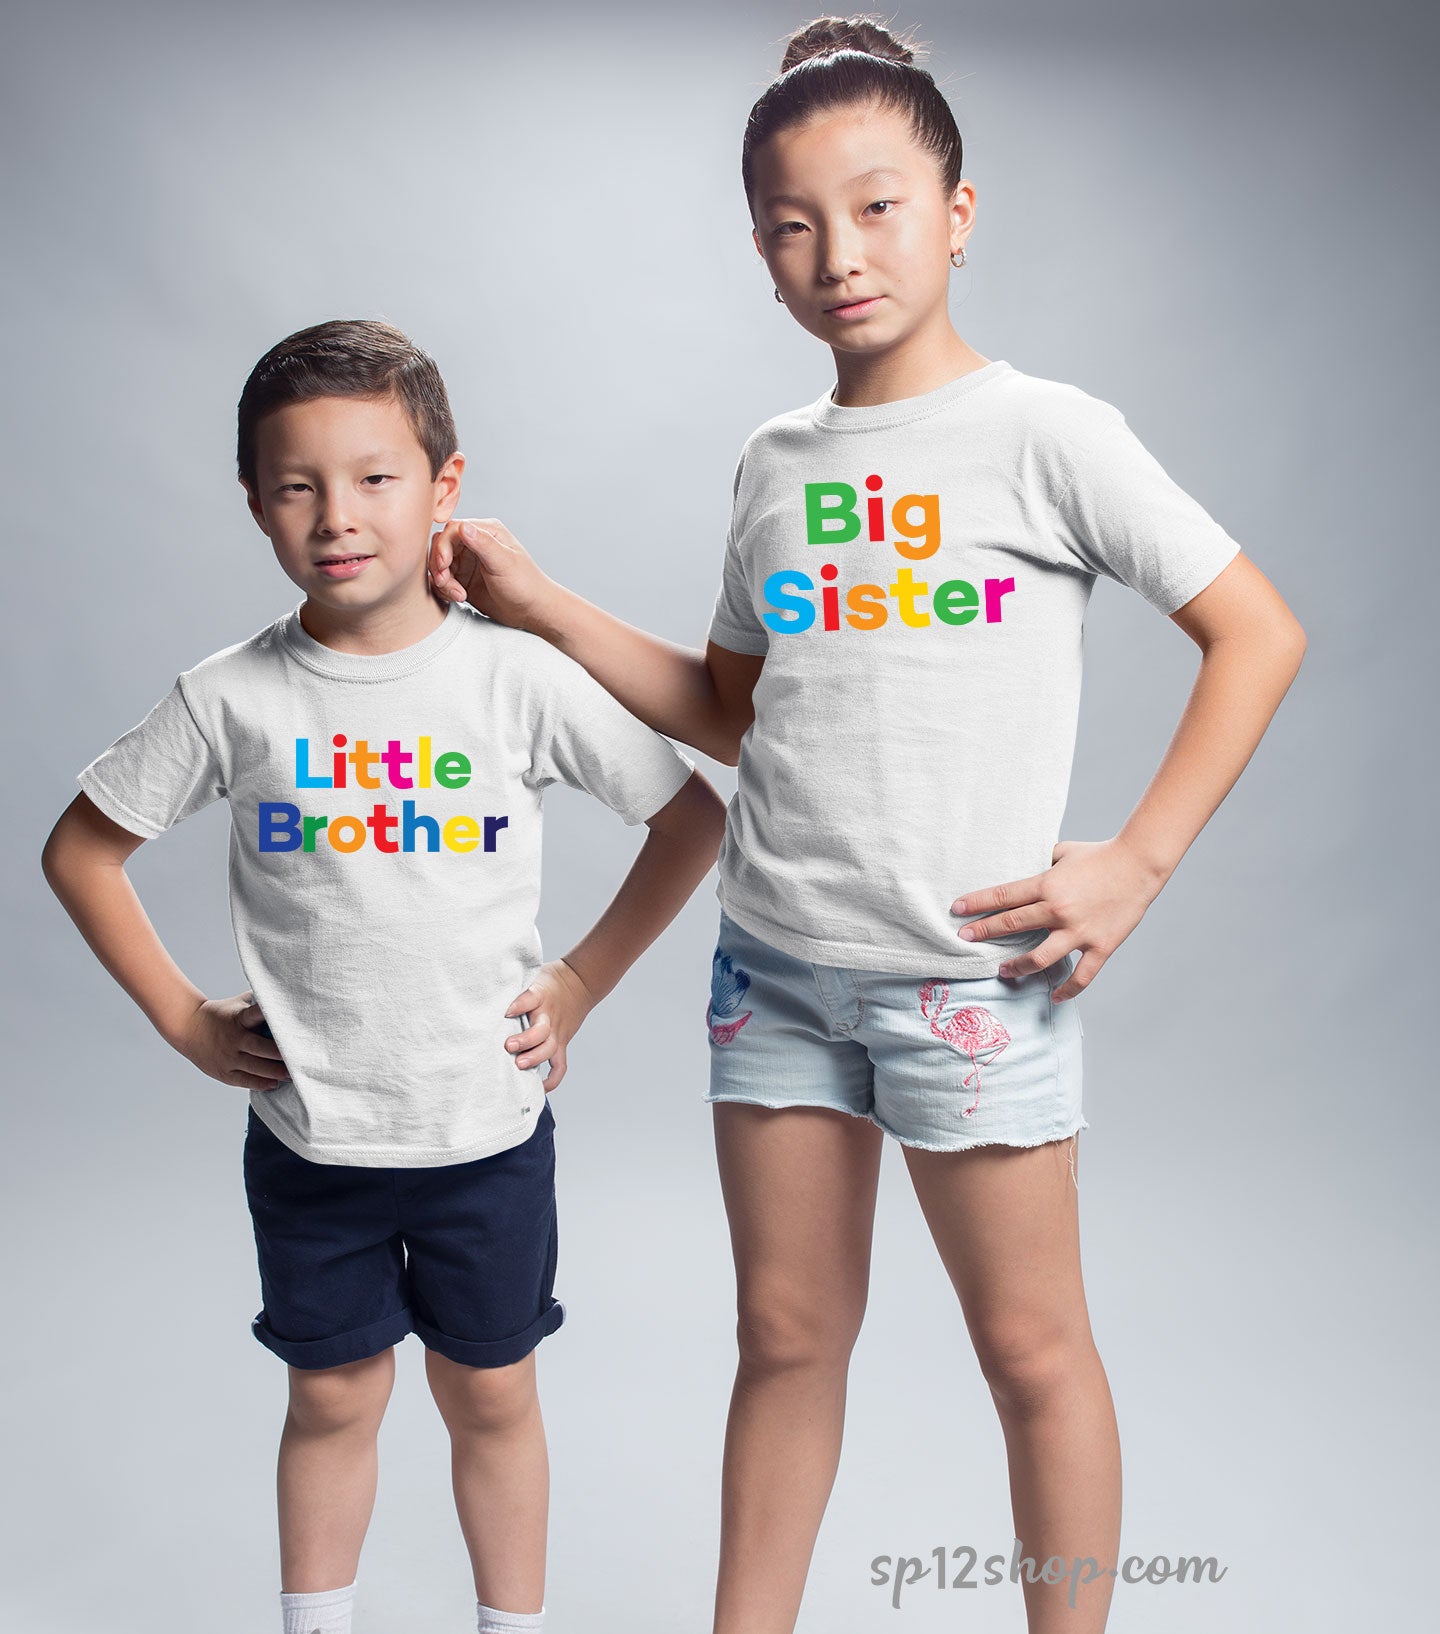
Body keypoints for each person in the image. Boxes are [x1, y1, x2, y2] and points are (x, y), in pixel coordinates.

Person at [425, 15, 1307, 1634]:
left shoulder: (1048, 435)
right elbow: (737, 711)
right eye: (791, 222)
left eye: (880, 205)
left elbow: (1259, 630)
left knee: (1033, 1351)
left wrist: (1137, 863)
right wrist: (540, 602)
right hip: (774, 971)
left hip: (966, 978)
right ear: (759, 250)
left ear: (959, 211)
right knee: (783, 1336)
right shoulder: (776, 463)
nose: (839, 252)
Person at [40, 318, 727, 1634]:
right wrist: (185, 1018)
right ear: (255, 505)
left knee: (491, 1394)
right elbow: (82, 850)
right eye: (296, 485)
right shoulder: (231, 696)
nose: (336, 515)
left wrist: (579, 980)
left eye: (374, 478)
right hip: (314, 1141)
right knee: (335, 1395)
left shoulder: (514, 679)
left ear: (443, 490)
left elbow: (689, 816)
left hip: (486, 1135)